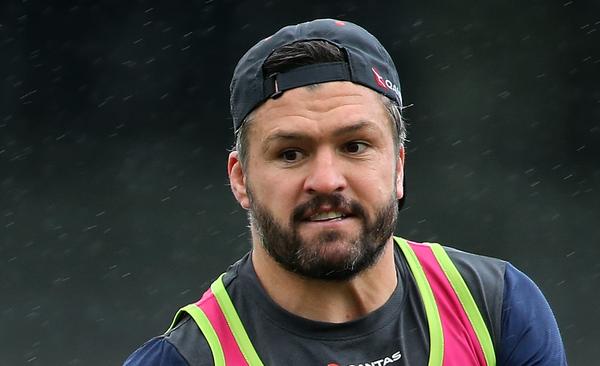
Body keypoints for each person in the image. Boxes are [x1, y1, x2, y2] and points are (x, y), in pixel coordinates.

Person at [124, 19, 567, 366]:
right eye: (291, 153)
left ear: (397, 166)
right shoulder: (186, 359)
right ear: (240, 179)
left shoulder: (496, 308)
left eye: (355, 146)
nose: (326, 179)